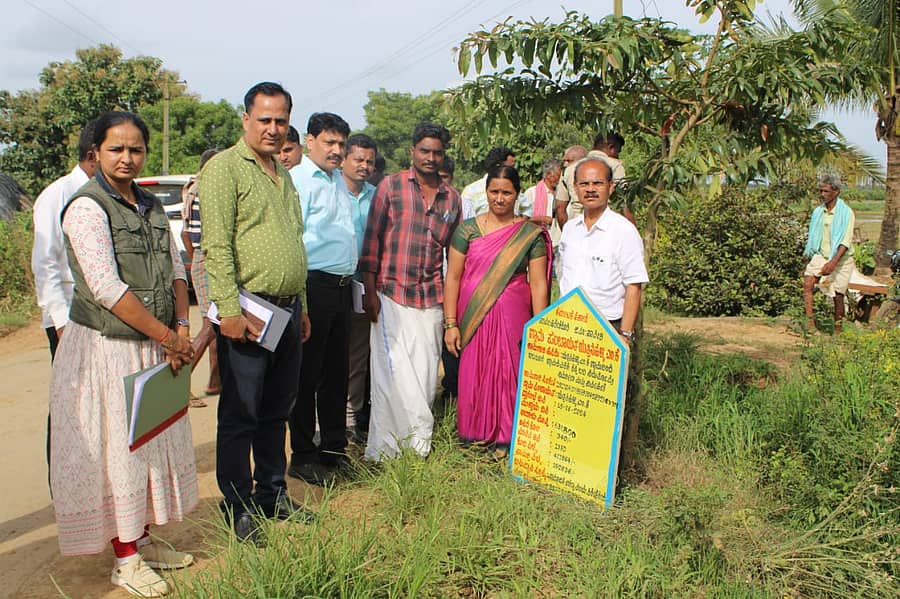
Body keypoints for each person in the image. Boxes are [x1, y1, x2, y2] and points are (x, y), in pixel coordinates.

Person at [51, 111, 198, 598]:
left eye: (135, 149)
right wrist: (169, 337)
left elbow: (177, 269)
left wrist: (180, 325)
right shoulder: (86, 208)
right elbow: (107, 288)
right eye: (116, 149)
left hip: (154, 345)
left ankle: (145, 540)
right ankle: (125, 559)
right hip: (107, 347)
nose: (127, 158)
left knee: (150, 444)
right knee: (120, 453)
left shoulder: (153, 206)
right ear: (95, 152)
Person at [200, 82, 313, 543]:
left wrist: (301, 305)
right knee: (241, 413)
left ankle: (272, 493)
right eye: (264, 119)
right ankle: (238, 504)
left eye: (280, 120)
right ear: (245, 119)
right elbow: (217, 246)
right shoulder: (226, 169)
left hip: (286, 313)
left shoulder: (280, 172)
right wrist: (228, 309)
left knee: (276, 411)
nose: (272, 128)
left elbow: (292, 241)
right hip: (247, 311)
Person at [359, 121, 462, 460]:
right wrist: (370, 292)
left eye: (437, 152)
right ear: (412, 152)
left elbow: (454, 259)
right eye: (425, 151)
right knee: (391, 374)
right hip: (391, 294)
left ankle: (417, 442)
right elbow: (372, 240)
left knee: (425, 371)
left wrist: (451, 314)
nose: (431, 157)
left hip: (431, 297)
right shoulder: (390, 187)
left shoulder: (452, 200)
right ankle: (389, 451)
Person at [444, 165, 550, 456]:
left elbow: (539, 283)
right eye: (494, 191)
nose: (500, 198)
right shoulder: (467, 230)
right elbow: (452, 277)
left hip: (513, 316)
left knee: (509, 372)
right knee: (474, 372)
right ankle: (474, 437)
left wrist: (539, 327)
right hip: (472, 315)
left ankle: (506, 440)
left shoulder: (529, 234)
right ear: (486, 191)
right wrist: (450, 323)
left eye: (507, 192)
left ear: (517, 195)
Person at [287, 112, 353, 486]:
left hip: (342, 287)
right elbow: (294, 238)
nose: (336, 150)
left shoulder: (337, 181)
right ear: (309, 141)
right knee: (306, 376)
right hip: (313, 285)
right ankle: (302, 454)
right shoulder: (297, 181)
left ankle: (333, 449)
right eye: (329, 142)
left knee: (335, 374)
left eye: (341, 144)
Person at [558, 157, 647, 342]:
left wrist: (625, 334)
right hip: (567, 324)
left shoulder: (624, 231)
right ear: (575, 187)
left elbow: (634, 285)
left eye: (597, 183)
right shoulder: (569, 229)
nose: (590, 189)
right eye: (584, 183)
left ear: (611, 187)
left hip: (607, 326)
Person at [32, 119, 97, 360]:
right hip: (71, 316)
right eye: (114, 150)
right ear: (93, 155)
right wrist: (61, 321)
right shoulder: (57, 196)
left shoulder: (112, 194)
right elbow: (44, 263)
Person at [341, 134, 378, 443]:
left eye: (369, 161)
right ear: (344, 159)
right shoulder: (331, 189)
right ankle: (317, 422)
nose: (364, 166)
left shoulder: (378, 196)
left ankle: (351, 418)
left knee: (357, 356)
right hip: (329, 282)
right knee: (326, 357)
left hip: (363, 286)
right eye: (359, 160)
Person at [180, 149, 220, 408]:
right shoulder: (205, 190)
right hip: (209, 259)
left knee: (217, 324)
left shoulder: (193, 188)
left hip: (202, 259)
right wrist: (203, 262)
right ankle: (179, 383)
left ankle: (216, 381)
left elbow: (186, 234)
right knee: (209, 326)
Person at [803, 173, 856, 333]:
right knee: (808, 283)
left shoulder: (846, 213)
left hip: (841, 258)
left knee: (837, 295)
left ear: (836, 191)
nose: (823, 194)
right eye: (821, 191)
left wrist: (833, 262)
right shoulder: (818, 211)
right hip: (822, 254)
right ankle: (810, 325)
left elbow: (845, 242)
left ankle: (838, 330)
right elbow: (814, 236)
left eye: (826, 191)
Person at [556, 133, 628, 228]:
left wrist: (567, 232)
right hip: (606, 227)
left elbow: (560, 208)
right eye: (618, 152)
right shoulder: (615, 166)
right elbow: (624, 204)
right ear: (611, 147)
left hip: (576, 226)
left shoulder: (569, 170)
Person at [460, 146, 516, 218]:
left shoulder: (514, 189)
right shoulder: (471, 192)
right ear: (498, 167)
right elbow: (466, 223)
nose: (499, 200)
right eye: (510, 168)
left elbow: (527, 209)